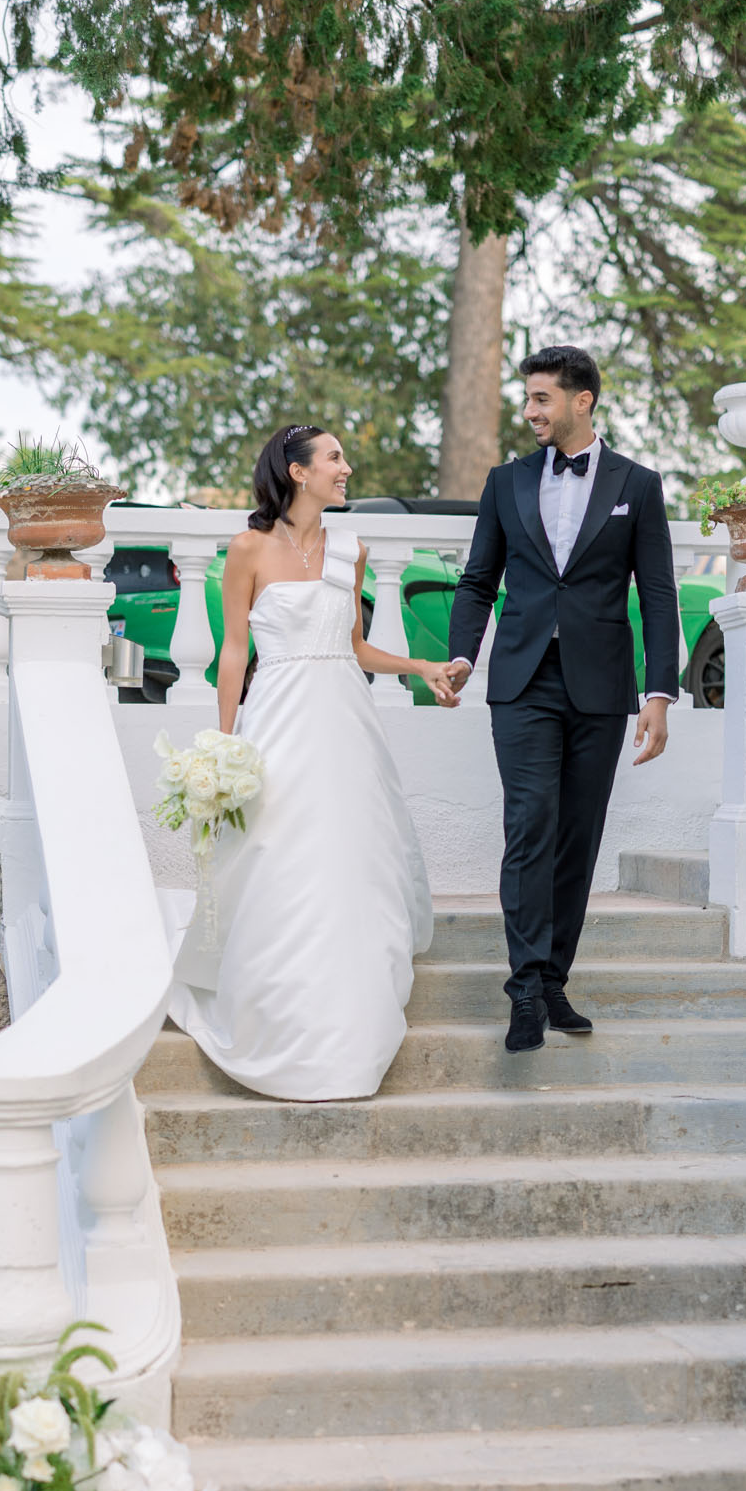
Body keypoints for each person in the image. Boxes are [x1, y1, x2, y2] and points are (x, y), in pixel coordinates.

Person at [165, 424, 460, 1100]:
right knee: (280, 849)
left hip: (343, 717)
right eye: (333, 458)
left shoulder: (348, 550)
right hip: (277, 715)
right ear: (297, 471)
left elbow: (353, 646)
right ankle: (275, 990)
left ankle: (350, 991)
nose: (345, 468)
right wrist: (226, 741)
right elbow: (234, 650)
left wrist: (418, 663)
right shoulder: (246, 549)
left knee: (352, 846)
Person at [446, 345, 680, 1053]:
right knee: (530, 825)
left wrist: (659, 691)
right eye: (527, 399)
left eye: (541, 398)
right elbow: (477, 580)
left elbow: (659, 593)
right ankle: (522, 988)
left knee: (577, 836)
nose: (529, 412)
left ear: (582, 401)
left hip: (600, 686)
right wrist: (463, 653)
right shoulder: (505, 480)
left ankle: (553, 979)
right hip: (519, 682)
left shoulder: (636, 485)